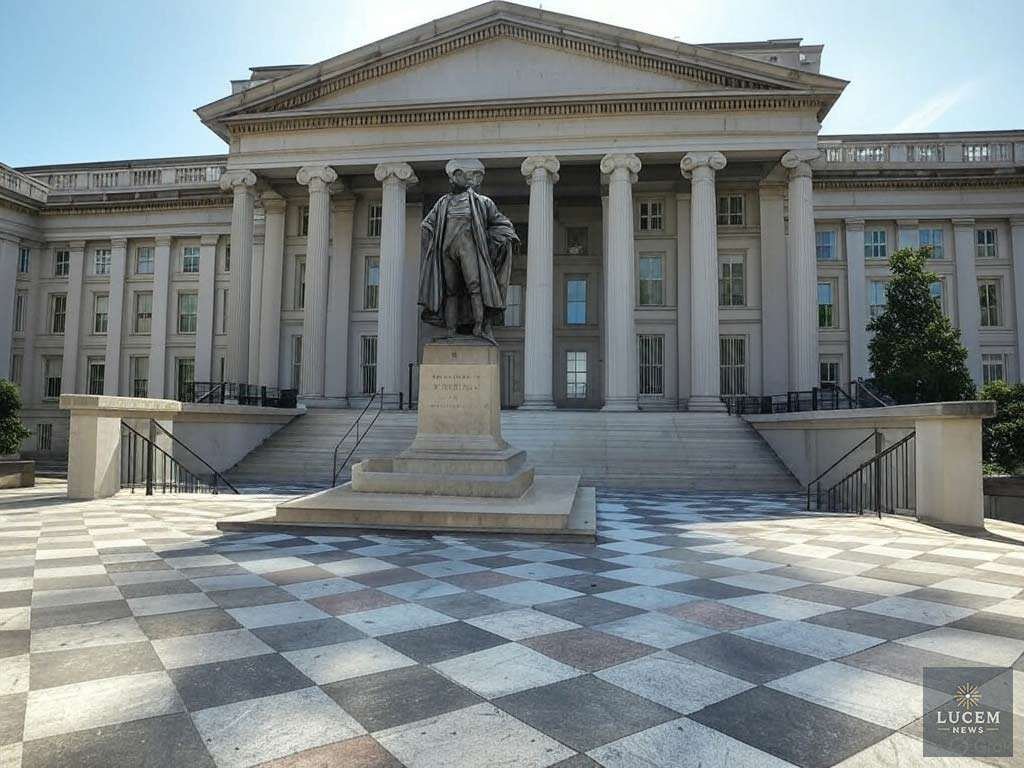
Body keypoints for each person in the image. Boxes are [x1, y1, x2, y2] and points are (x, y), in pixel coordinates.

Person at [418, 159, 518, 343]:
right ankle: (450, 329)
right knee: (450, 291)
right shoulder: (443, 203)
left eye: (459, 174)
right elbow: (427, 223)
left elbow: (502, 223)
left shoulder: (482, 202)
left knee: (475, 287)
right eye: (454, 175)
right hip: (447, 252)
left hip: (469, 250)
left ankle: (479, 326)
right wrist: (430, 238)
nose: (455, 179)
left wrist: (498, 240)